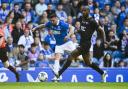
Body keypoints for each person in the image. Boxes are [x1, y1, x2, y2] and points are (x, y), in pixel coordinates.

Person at [52, 6, 107, 82]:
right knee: (88, 63)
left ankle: (58, 74)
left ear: (88, 11)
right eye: (82, 11)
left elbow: (102, 30)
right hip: (82, 42)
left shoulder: (92, 21)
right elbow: (83, 30)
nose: (83, 12)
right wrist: (76, 32)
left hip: (86, 44)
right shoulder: (82, 18)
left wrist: (104, 41)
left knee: (71, 56)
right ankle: (103, 73)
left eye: (84, 11)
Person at [33, 13, 75, 80]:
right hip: (59, 45)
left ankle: (87, 60)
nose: (52, 22)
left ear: (56, 18)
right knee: (57, 57)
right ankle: (56, 75)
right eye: (51, 20)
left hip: (67, 43)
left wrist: (68, 35)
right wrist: (35, 28)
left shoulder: (62, 24)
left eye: (53, 20)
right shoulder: (50, 23)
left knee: (77, 56)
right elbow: (43, 25)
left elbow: (72, 27)